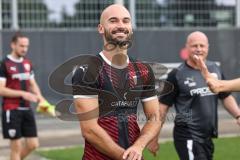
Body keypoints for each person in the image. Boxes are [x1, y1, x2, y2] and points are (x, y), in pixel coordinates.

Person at [72, 4, 161, 160]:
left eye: (126, 21)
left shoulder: (143, 70)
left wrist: (138, 148)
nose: (121, 25)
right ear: (101, 28)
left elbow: (154, 117)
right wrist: (125, 157)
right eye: (113, 21)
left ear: (131, 28)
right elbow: (89, 130)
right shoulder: (88, 70)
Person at [157, 31, 240, 160]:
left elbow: (226, 96)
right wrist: (153, 136)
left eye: (202, 46)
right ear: (187, 47)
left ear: (208, 47)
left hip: (206, 137)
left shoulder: (215, 69)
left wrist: (238, 115)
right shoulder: (176, 74)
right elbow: (162, 107)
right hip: (187, 136)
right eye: (194, 45)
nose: (199, 49)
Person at [0, 32, 47, 160]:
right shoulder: (4, 63)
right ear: (13, 45)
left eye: (26, 46)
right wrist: (23, 94)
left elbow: (32, 84)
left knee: (33, 144)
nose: (24, 49)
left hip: (26, 109)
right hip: (11, 109)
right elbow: (1, 90)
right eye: (21, 46)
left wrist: (41, 99)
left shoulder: (27, 63)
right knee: (16, 147)